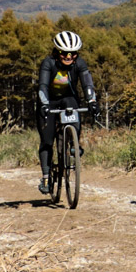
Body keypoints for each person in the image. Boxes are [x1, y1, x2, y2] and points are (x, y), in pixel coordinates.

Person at [36, 30, 99, 195]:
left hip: (68, 99)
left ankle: (74, 144)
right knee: (47, 140)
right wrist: (43, 104)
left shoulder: (80, 63)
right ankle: (46, 177)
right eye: (65, 53)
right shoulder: (48, 63)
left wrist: (92, 101)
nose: (69, 57)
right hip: (48, 101)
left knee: (72, 104)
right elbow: (42, 85)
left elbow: (87, 84)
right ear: (57, 52)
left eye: (73, 54)